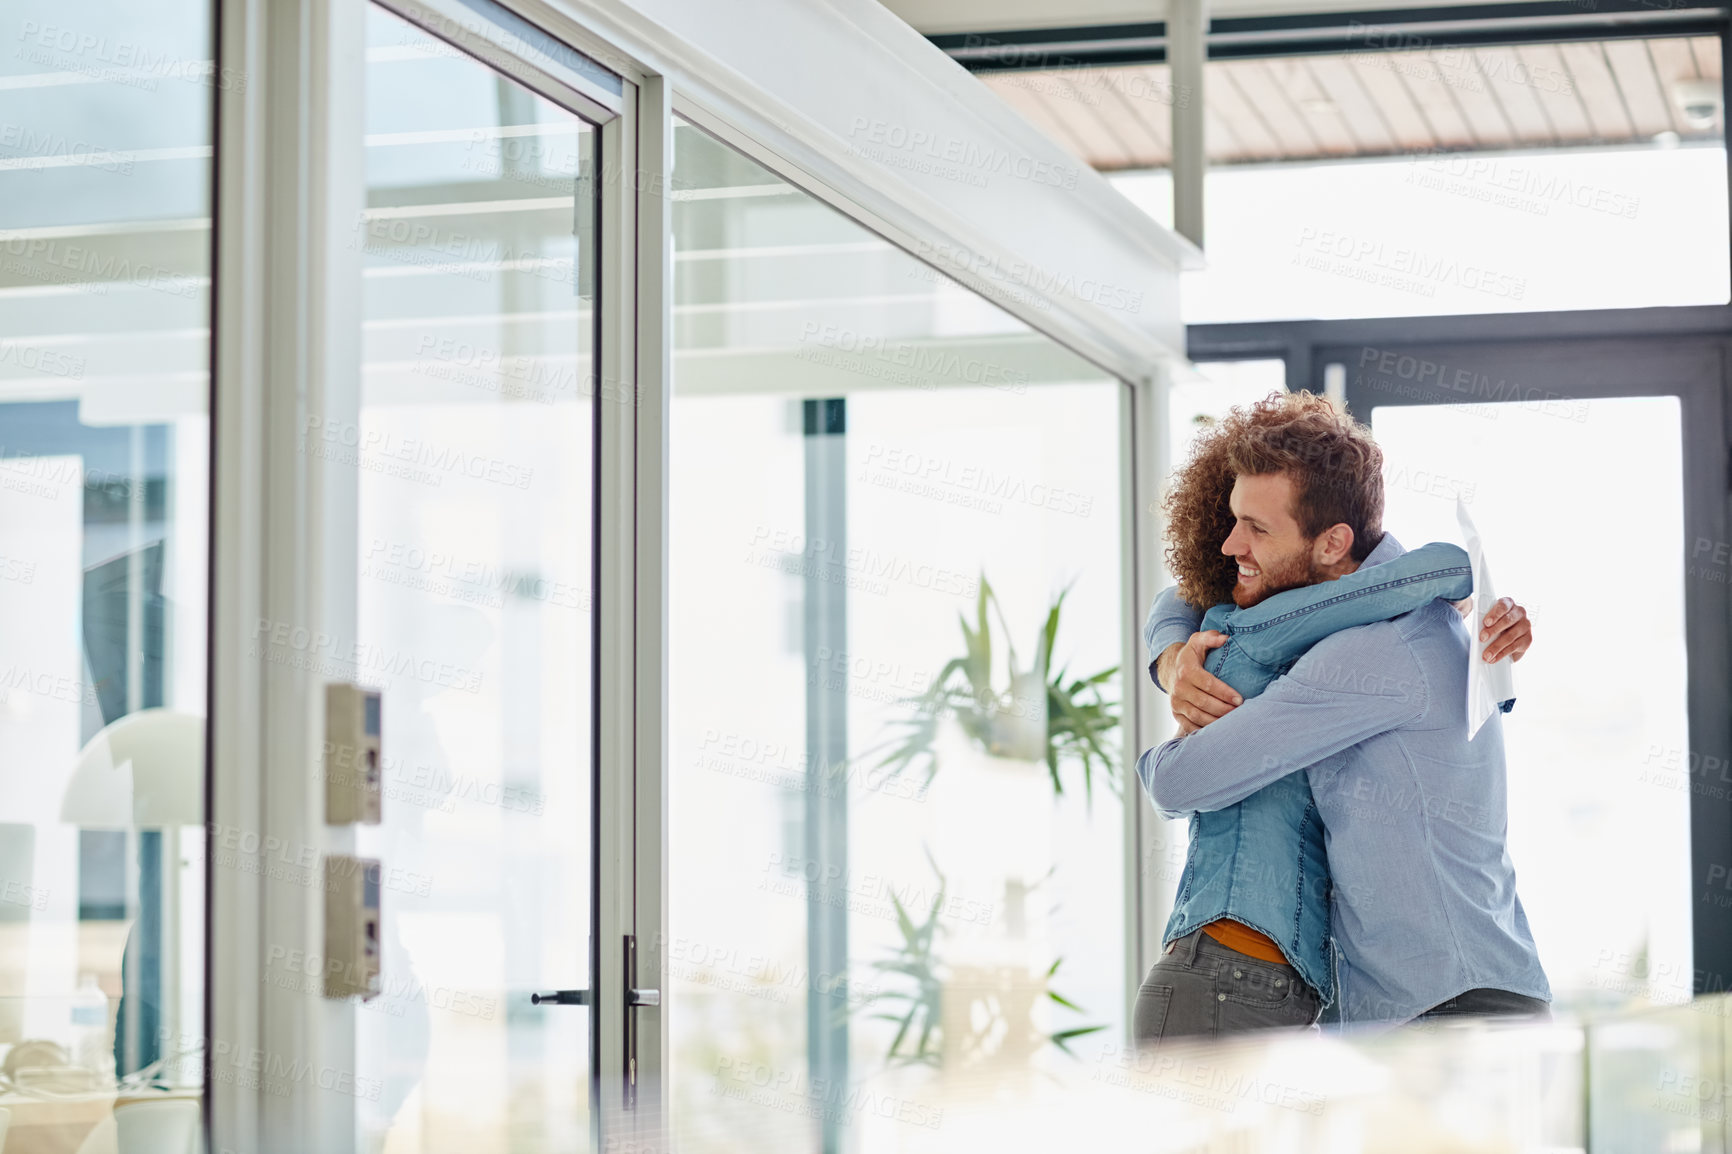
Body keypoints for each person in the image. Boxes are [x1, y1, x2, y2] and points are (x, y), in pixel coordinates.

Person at [1131, 392, 1546, 1046]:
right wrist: (1169, 655)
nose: (1232, 543)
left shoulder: (1372, 651)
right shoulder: (1404, 616)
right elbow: (1186, 594)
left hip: (1453, 1010)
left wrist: (1167, 738)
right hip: (1427, 1008)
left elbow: (1177, 781)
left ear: (1333, 544)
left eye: (1258, 529)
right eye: (1235, 519)